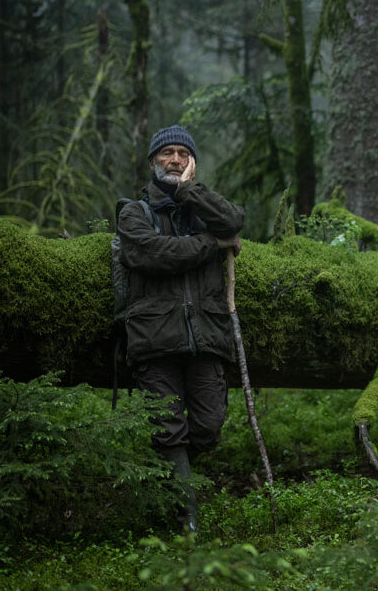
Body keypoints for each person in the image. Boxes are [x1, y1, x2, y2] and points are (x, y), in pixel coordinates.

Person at [117, 124, 244, 533]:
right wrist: (211, 245)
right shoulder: (134, 212)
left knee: (208, 427)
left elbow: (233, 221)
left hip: (207, 337)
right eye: (166, 153)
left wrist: (190, 191)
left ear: (192, 163)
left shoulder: (201, 207)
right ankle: (187, 522)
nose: (174, 160)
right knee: (168, 430)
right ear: (152, 161)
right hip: (155, 340)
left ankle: (173, 480)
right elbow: (155, 254)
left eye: (182, 154)